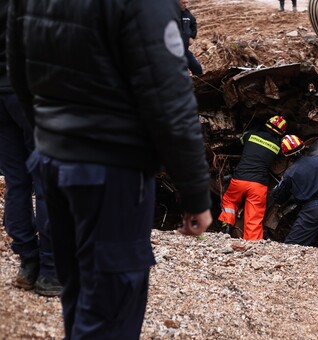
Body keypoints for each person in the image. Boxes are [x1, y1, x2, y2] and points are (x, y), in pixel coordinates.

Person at [7, 0, 212, 338]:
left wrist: (51, 135)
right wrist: (194, 192)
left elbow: (19, 69)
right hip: (112, 171)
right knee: (109, 311)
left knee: (79, 294)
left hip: (55, 160)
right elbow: (170, 99)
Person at [0, 2, 61, 297]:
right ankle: (50, 271)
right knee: (47, 183)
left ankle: (28, 261)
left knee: (16, 182)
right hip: (30, 91)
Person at [218, 115, 286, 241]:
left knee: (230, 201)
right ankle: (253, 244)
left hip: (239, 179)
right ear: (281, 133)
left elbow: (238, 145)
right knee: (254, 216)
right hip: (258, 185)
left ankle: (226, 225)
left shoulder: (251, 136)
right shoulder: (277, 146)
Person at [271, 135, 318, 250]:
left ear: (286, 155)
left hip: (311, 212)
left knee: (290, 248)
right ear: (303, 147)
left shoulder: (290, 173)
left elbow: (279, 197)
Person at [180, 0, 203, 76]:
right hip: (172, 53)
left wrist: (192, 36)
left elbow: (194, 25)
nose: (186, 5)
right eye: (183, 3)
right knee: (182, 73)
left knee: (197, 68)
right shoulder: (171, 14)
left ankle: (199, 86)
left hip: (185, 50)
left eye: (186, 3)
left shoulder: (188, 14)